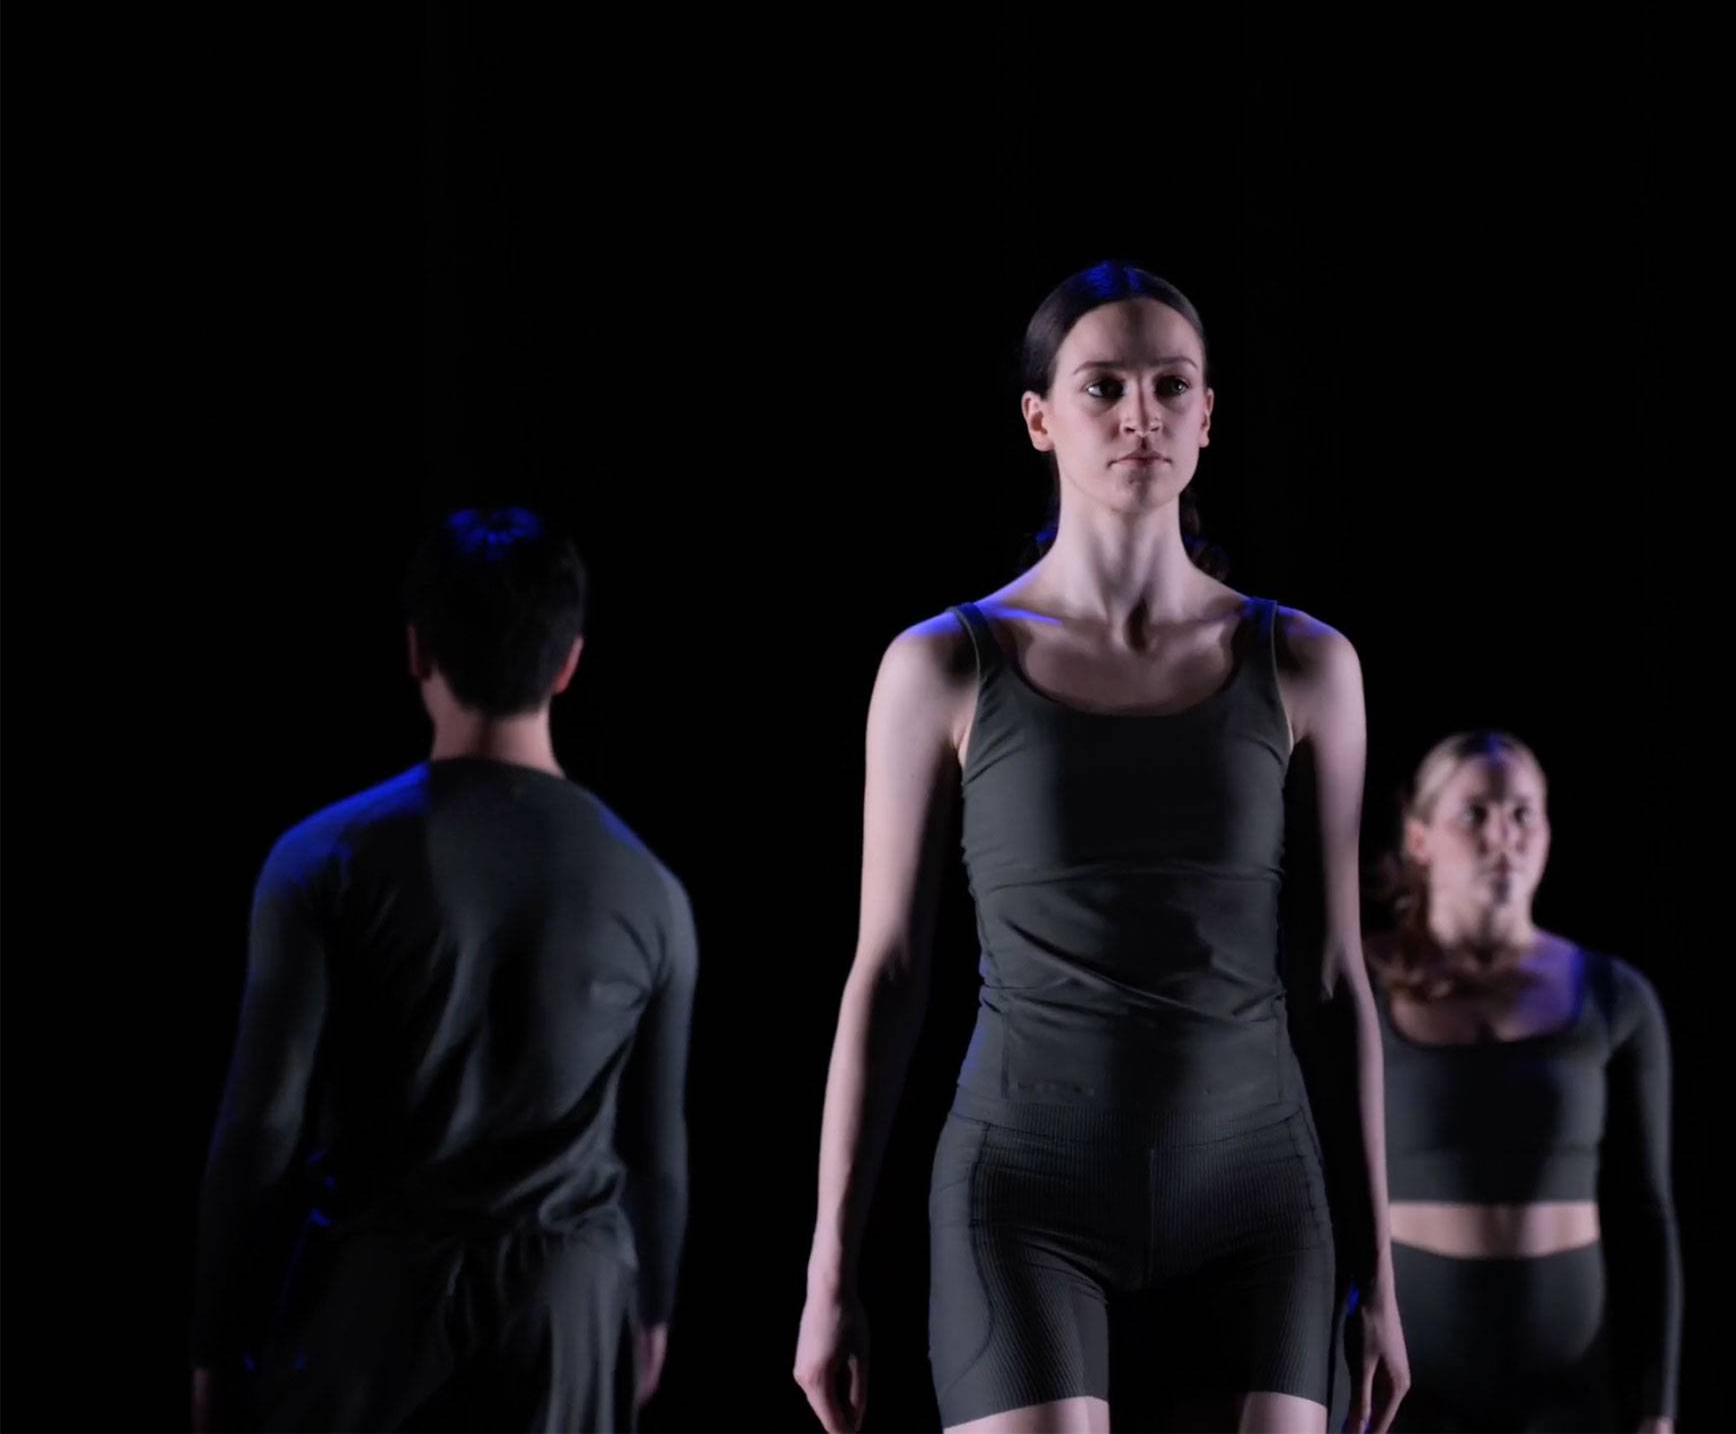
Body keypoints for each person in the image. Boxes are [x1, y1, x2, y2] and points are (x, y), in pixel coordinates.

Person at [793, 262, 1409, 1434]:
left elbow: (1336, 976)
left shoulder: (1307, 664)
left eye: (1171, 386)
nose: (1141, 414)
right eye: (1103, 387)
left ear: (1207, 415)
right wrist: (827, 1271)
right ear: (1038, 419)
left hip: (1258, 1196)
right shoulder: (939, 666)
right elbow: (886, 970)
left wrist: (1380, 1270)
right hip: (1022, 1192)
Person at [190, 507, 696, 1432]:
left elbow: (260, 1127)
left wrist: (217, 1346)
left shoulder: (321, 861)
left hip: (370, 1307)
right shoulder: (652, 891)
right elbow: (656, 1153)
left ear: (417, 651)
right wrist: (649, 1315)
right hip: (568, 1310)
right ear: (570, 662)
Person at [1356, 730, 1679, 1432]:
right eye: (1476, 813)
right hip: (1403, 1386)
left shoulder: (1614, 996)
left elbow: (1647, 1217)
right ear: (1419, 839)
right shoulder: (1358, 984)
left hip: (1565, 1384)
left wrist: (1657, 1411)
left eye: (1524, 813)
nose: (1505, 834)